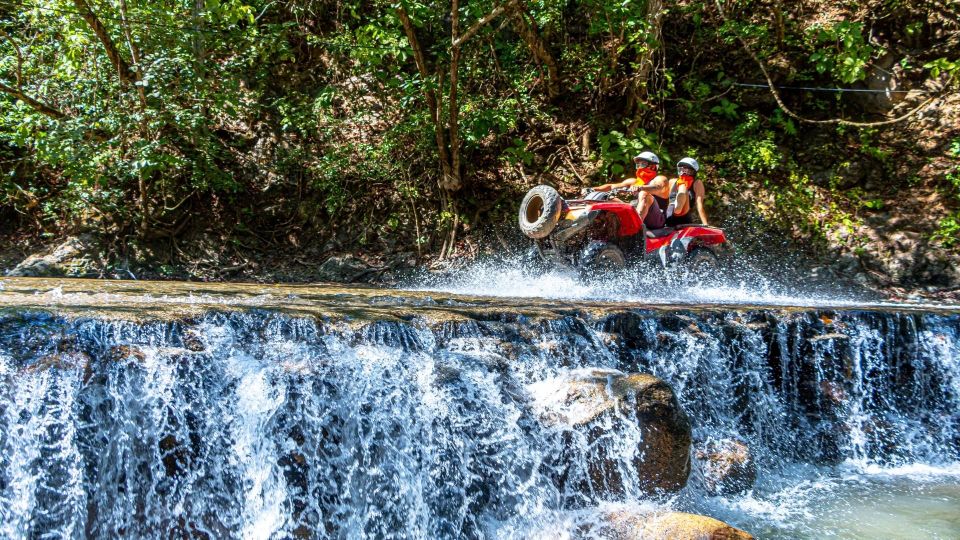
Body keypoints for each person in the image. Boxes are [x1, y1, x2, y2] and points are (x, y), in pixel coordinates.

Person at [584, 151, 667, 230]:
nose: (639, 167)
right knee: (607, 198)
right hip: (636, 214)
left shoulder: (660, 179)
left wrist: (641, 188)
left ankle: (635, 229)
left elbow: (658, 187)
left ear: (653, 166)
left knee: (644, 193)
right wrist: (593, 189)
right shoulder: (633, 182)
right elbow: (611, 186)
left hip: (656, 221)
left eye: (643, 164)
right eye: (638, 164)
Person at [664, 157, 709, 227]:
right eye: (681, 170)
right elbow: (665, 200)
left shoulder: (697, 183)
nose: (684, 173)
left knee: (683, 189)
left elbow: (699, 204)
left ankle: (677, 208)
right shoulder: (672, 181)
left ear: (693, 172)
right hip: (669, 215)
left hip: (684, 217)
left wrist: (705, 224)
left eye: (687, 171)